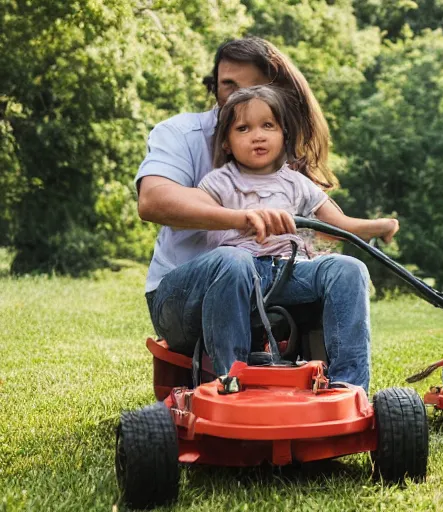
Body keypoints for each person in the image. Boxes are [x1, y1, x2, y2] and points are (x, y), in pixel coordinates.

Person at [136, 37, 383, 391]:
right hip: (184, 298)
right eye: (228, 85)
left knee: (346, 269)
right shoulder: (182, 135)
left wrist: (373, 227)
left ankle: (349, 389)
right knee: (232, 260)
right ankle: (231, 379)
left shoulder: (285, 163)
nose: (239, 96)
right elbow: (154, 202)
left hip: (271, 283)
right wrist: (241, 218)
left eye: (254, 87)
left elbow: (332, 224)